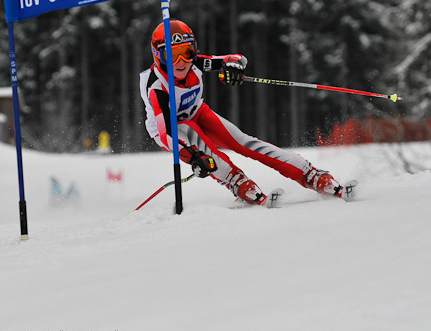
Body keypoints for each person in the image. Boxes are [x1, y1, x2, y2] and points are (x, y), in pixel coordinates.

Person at [139, 19, 352, 206]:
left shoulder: (195, 63)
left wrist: (234, 69)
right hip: (170, 129)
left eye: (187, 52)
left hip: (197, 112)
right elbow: (166, 133)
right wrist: (194, 157)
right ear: (158, 56)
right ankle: (235, 180)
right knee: (195, 137)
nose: (182, 62)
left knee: (243, 141)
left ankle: (309, 173)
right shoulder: (157, 87)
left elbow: (236, 58)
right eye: (172, 55)